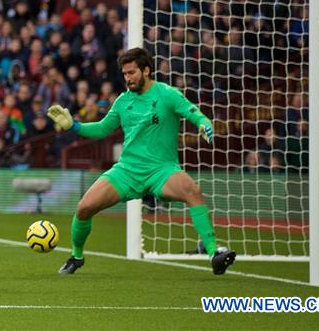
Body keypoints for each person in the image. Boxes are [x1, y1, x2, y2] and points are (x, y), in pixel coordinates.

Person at [46, 47, 236, 276]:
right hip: (127, 171)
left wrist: (204, 125)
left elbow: (195, 114)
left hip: (161, 170)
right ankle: (76, 257)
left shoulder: (167, 94)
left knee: (192, 190)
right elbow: (102, 129)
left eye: (132, 72)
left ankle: (214, 252)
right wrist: (73, 126)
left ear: (146, 70)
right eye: (125, 74)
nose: (127, 78)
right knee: (84, 207)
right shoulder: (123, 101)